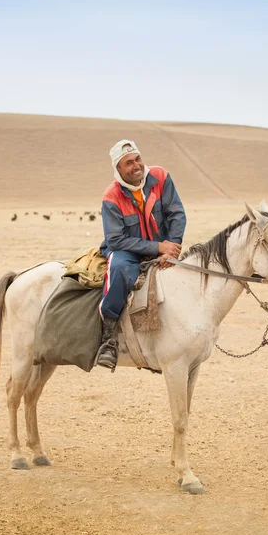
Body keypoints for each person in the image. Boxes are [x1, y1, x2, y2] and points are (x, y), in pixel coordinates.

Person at [96, 139, 187, 370]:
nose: (136, 165)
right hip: (127, 251)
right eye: (128, 163)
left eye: (137, 159)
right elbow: (115, 239)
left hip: (164, 246)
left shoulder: (161, 177)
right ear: (118, 169)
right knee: (118, 270)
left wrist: (173, 247)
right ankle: (108, 338)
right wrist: (158, 248)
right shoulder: (111, 196)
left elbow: (176, 213)